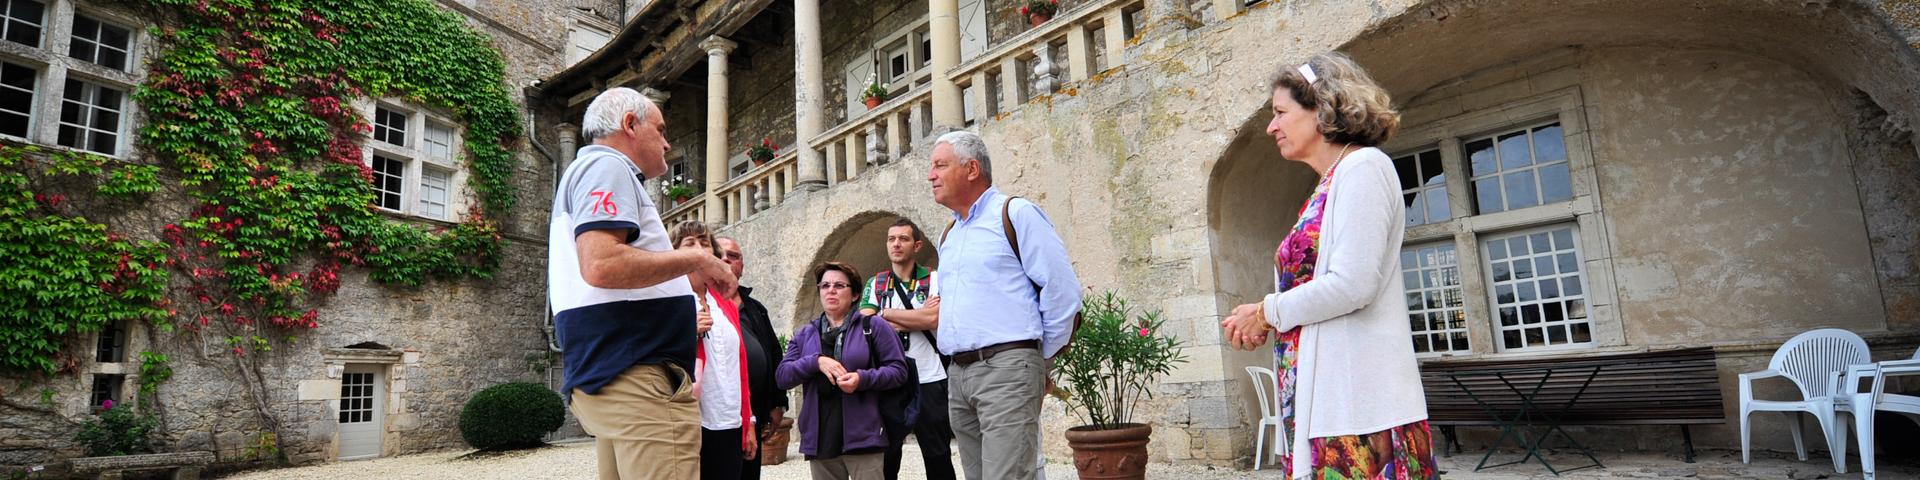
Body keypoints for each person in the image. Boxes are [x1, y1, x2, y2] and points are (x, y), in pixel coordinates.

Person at [1219, 52, 1436, 479]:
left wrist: (1266, 313)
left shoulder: (1364, 168)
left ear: (1322, 108)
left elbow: (1354, 284)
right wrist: (1266, 319)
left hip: (1358, 408)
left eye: (1281, 113)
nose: (1271, 126)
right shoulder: (1331, 182)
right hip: (1328, 402)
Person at [547, 87, 735, 480]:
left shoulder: (589, 170)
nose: (667, 143)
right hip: (637, 373)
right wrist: (698, 258)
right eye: (661, 129)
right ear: (629, 124)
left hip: (617, 370)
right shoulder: (607, 166)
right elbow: (601, 264)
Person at [927, 130, 1082, 480]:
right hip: (959, 374)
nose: (930, 175)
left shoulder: (1015, 213)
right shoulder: (949, 235)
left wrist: (1038, 359)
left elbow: (1062, 293)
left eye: (940, 165)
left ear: (971, 169)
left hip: (1006, 369)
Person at [778, 262, 911, 480]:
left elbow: (898, 371)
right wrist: (816, 362)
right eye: (825, 285)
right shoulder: (805, 334)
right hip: (821, 439)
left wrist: (862, 379)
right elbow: (782, 377)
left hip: (864, 436)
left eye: (839, 285)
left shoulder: (874, 326)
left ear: (855, 294)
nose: (831, 290)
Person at [857, 218, 957, 480]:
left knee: (938, 455)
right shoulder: (876, 283)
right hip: (889, 380)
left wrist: (887, 314)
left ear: (917, 245)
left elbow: (935, 319)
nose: (896, 244)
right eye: (891, 239)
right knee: (887, 457)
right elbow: (866, 325)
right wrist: (917, 315)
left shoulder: (934, 278)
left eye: (903, 239)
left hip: (930, 378)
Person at [673, 222, 758, 480]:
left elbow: (739, 369)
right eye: (689, 244)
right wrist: (684, 331)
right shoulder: (667, 299)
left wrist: (748, 421)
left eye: (704, 242)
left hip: (728, 422)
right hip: (686, 423)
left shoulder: (724, 304)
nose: (699, 249)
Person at [718, 235, 788, 480]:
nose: (726, 259)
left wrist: (778, 403)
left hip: (754, 412)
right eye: (719, 254)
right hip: (718, 414)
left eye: (733, 256)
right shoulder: (702, 302)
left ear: (742, 266)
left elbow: (774, 353)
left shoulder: (755, 307)